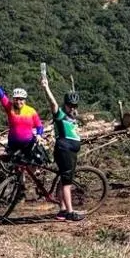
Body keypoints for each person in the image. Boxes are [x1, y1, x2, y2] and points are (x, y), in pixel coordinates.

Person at [39, 73, 84, 221]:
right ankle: (70, 212)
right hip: (64, 149)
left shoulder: (72, 117)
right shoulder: (60, 115)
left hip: (71, 151)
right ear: (65, 105)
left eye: (75, 106)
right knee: (67, 183)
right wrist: (46, 87)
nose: (72, 108)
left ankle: (63, 210)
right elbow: (52, 104)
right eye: (70, 105)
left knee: (64, 179)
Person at [0, 74, 44, 162]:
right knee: (14, 165)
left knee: (31, 163)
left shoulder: (31, 111)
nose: (18, 101)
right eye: (16, 99)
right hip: (13, 143)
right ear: (13, 99)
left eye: (21, 99)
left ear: (25, 100)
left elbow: (39, 126)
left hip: (28, 143)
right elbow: (1, 96)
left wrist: (39, 135)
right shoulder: (9, 107)